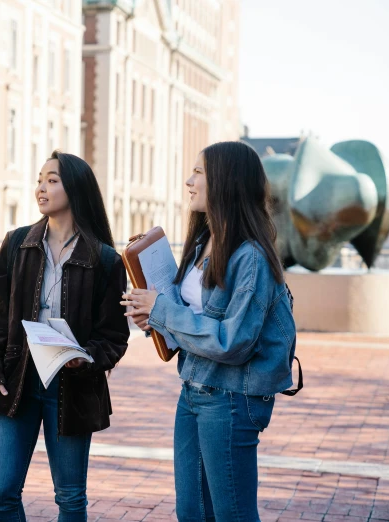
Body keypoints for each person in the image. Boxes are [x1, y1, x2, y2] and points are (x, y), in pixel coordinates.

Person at [121, 141, 297, 522]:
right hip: (193, 390)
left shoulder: (251, 257)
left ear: (226, 181)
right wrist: (153, 317)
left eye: (198, 172)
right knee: (192, 513)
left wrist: (163, 310)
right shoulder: (203, 241)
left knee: (232, 514)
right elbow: (191, 314)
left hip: (231, 399)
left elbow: (233, 341)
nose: (189, 181)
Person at [0, 150, 130, 522]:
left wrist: (85, 357)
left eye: (52, 180)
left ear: (74, 188)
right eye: (39, 180)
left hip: (73, 386)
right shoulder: (17, 244)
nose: (41, 188)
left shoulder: (105, 260)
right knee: (3, 490)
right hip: (18, 382)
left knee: (71, 497)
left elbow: (114, 335)